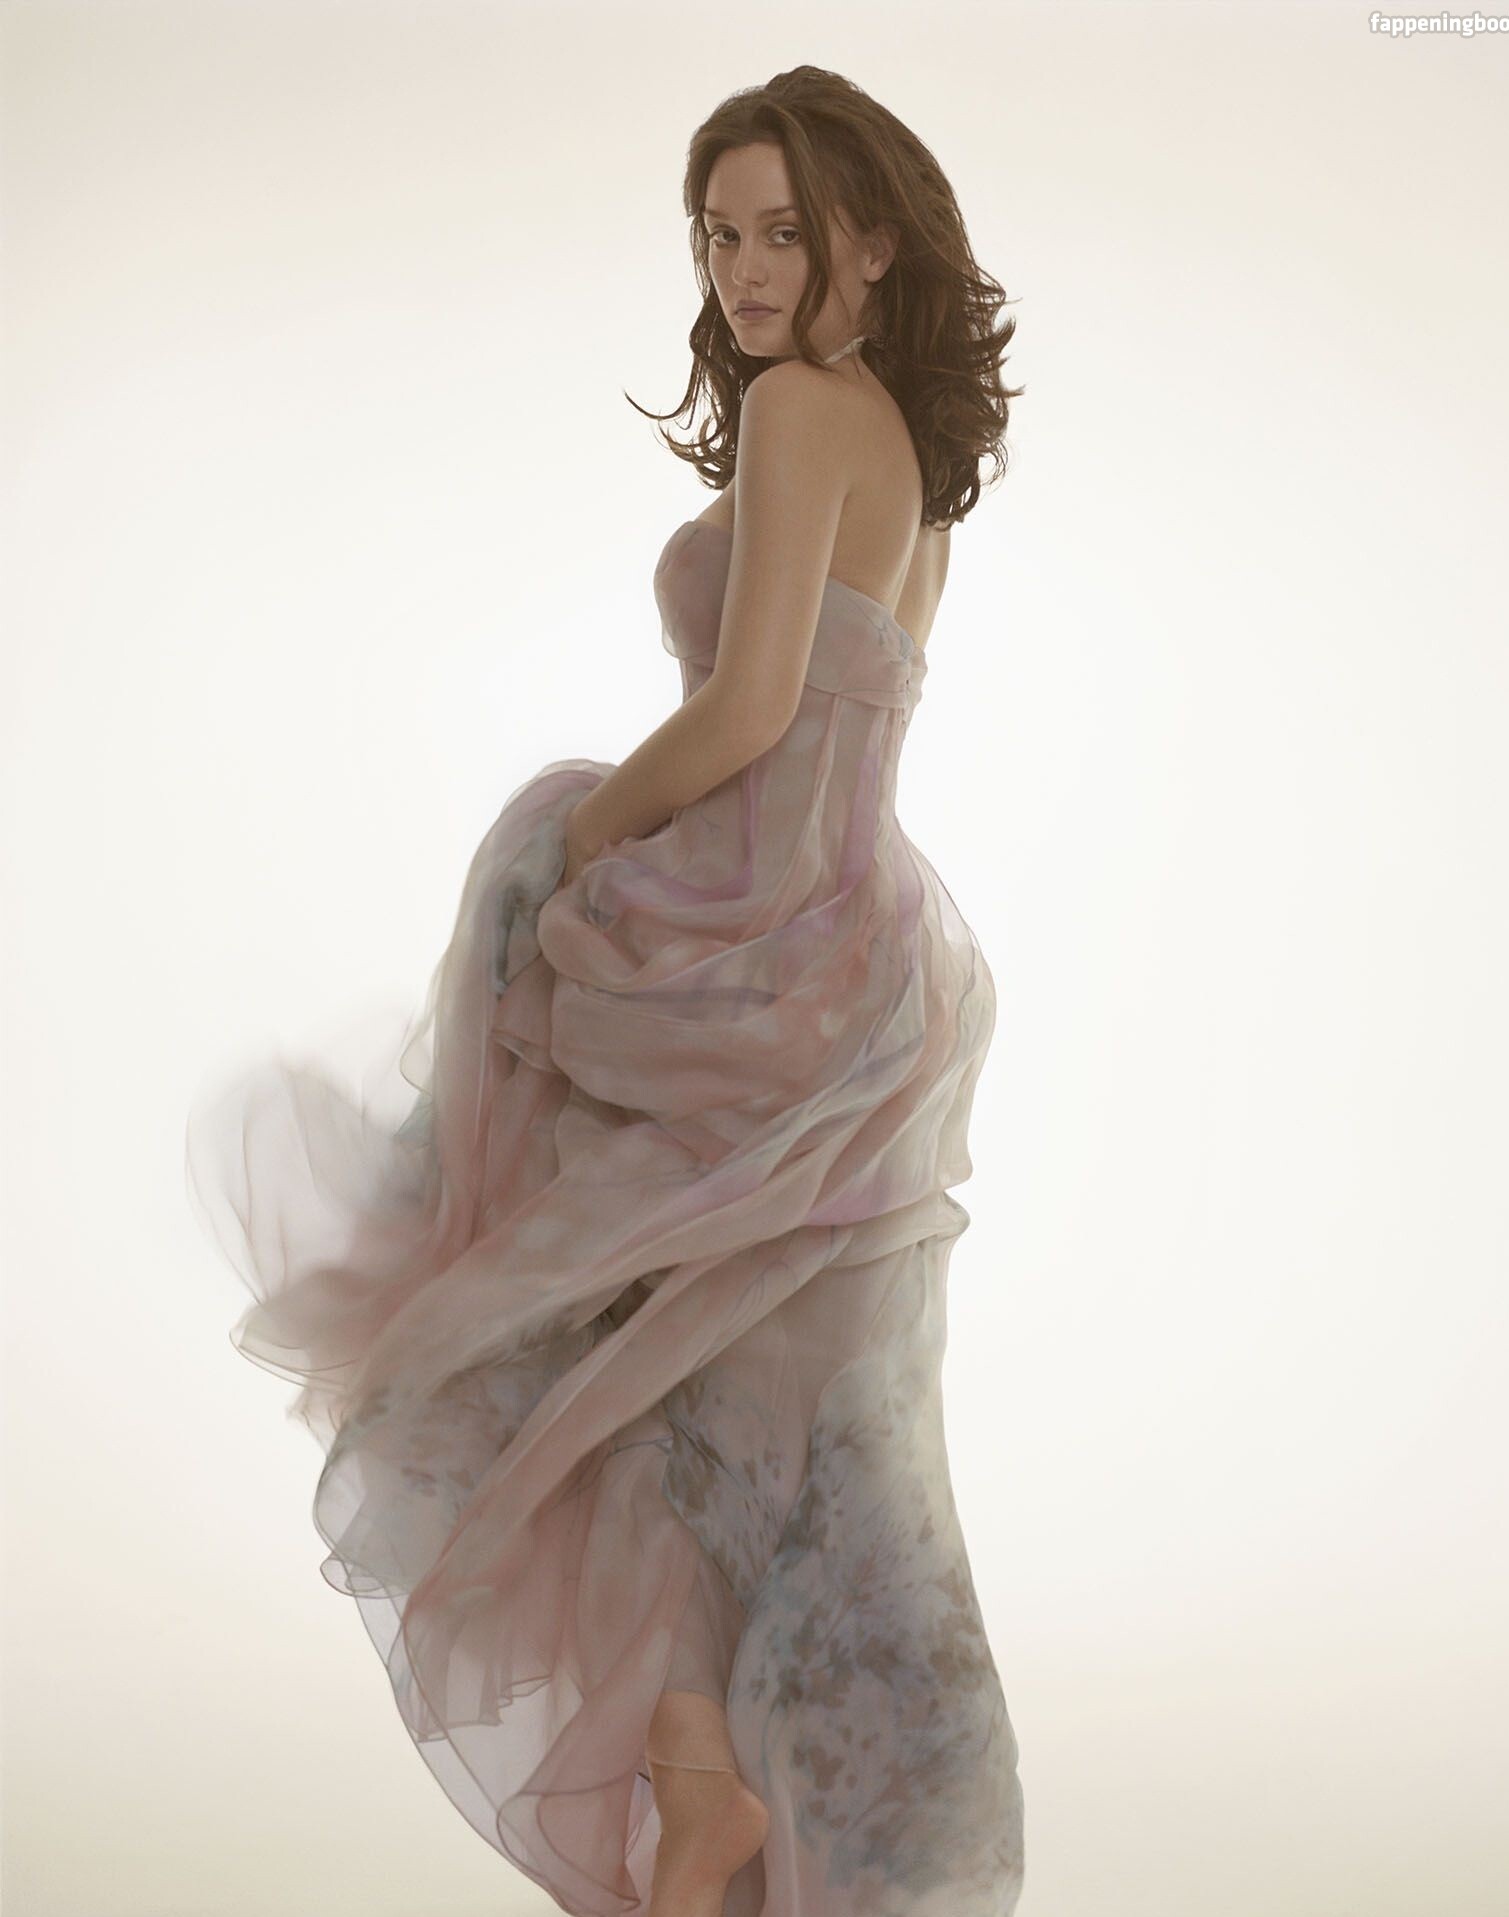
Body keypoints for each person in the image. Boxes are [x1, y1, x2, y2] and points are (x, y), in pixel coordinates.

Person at [185, 63, 1026, 1917]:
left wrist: (575, 845)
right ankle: (705, 1795)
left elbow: (748, 709)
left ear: (873, 243)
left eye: (784, 231)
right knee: (720, 1402)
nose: (743, 271)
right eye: (718, 237)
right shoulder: (908, 453)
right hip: (852, 954)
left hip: (758, 935)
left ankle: (702, 1782)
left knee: (600, 1358)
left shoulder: (802, 408)